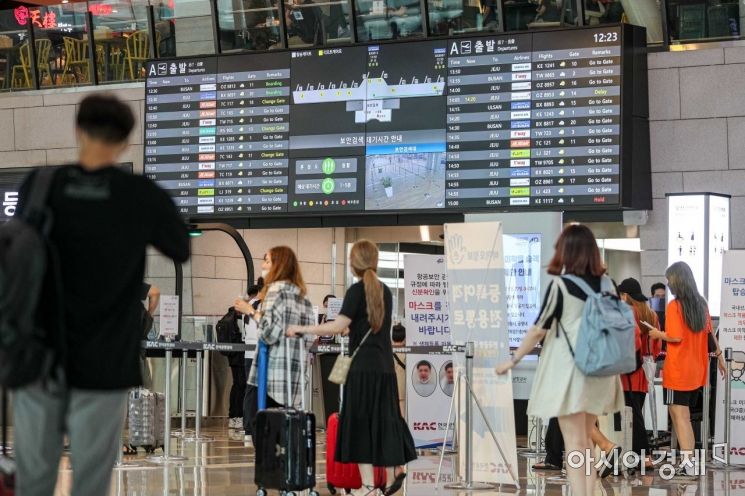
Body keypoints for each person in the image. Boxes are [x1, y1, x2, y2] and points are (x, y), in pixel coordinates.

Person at [13, 94, 190, 496]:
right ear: (127, 141)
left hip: (40, 356)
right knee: (91, 483)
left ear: (78, 129)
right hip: (106, 361)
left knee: (34, 481)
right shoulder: (138, 195)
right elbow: (180, 246)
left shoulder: (43, 185)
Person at [495, 224, 624, 496]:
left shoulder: (561, 286)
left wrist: (513, 360)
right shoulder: (608, 284)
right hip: (601, 370)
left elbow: (538, 328)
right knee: (586, 440)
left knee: (575, 442)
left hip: (571, 372)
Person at [287, 239, 416, 496]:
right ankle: (393, 472)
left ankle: (368, 485)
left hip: (362, 369)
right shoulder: (385, 291)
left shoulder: (356, 292)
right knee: (384, 421)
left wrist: (302, 328)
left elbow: (335, 327)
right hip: (385, 368)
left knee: (359, 425)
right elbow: (369, 326)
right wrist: (353, 327)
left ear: (354, 264)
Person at [652, 262, 726, 478]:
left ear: (676, 281)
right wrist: (720, 357)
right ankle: (689, 460)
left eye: (669, 280)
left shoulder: (675, 306)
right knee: (683, 416)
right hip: (697, 370)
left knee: (680, 415)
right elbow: (710, 336)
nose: (667, 284)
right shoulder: (701, 304)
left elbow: (675, 336)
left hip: (678, 370)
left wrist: (658, 334)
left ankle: (689, 462)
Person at [237, 247, 315, 433]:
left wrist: (250, 311)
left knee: (264, 437)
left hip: (269, 378)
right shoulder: (303, 299)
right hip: (293, 377)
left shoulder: (275, 293)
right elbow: (309, 337)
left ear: (278, 266)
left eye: (267, 261)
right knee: (285, 437)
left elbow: (268, 332)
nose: (263, 265)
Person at [617, 278, 663, 467]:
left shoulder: (627, 312)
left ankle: (642, 456)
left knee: (630, 416)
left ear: (625, 295)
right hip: (645, 370)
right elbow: (658, 345)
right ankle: (637, 456)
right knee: (637, 414)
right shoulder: (651, 314)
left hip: (628, 370)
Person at [239, 280, 263, 442]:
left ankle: (248, 427)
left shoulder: (248, 306)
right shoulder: (260, 306)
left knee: (250, 390)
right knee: (258, 390)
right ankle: (253, 427)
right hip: (260, 351)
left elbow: (244, 332)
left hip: (248, 352)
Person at [217, 306, 248, 430]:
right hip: (240, 355)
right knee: (241, 385)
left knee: (237, 385)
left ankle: (233, 417)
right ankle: (238, 416)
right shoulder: (240, 318)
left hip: (233, 356)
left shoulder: (229, 316)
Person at [392, 323, 406, 417]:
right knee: (402, 414)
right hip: (402, 387)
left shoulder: (387, 351)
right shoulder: (408, 352)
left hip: (389, 386)